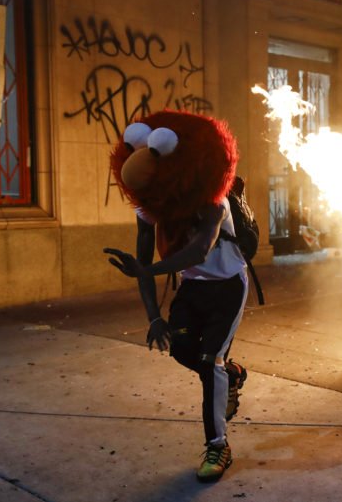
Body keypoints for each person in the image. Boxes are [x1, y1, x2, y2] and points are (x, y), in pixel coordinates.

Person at [103, 110, 248, 483]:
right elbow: (142, 259)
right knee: (184, 351)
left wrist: (147, 270)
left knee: (208, 361)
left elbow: (200, 251)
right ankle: (230, 375)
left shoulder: (214, 202)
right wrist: (153, 317)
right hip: (192, 289)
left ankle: (218, 444)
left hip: (228, 287)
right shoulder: (150, 208)